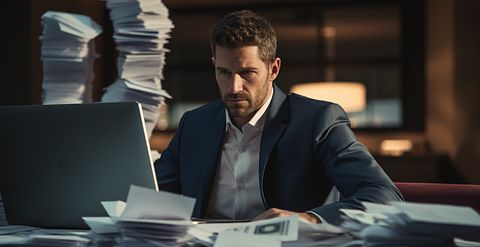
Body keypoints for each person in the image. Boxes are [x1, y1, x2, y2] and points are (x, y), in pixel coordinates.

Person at [154, 10, 403, 225]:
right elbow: (154, 192)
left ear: (273, 69)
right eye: (223, 72)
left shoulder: (317, 120)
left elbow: (384, 194)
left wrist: (309, 218)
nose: (233, 87)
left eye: (247, 72)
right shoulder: (194, 124)